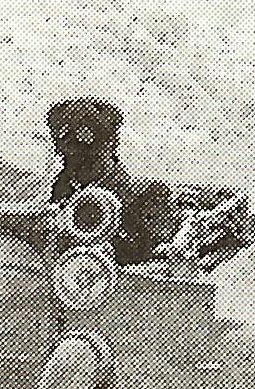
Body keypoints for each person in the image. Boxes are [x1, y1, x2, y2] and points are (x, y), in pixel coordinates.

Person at [45, 96, 178, 266]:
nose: (75, 169)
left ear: (111, 146)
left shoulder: (146, 198)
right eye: (69, 157)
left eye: (87, 160)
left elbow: (153, 260)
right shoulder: (63, 187)